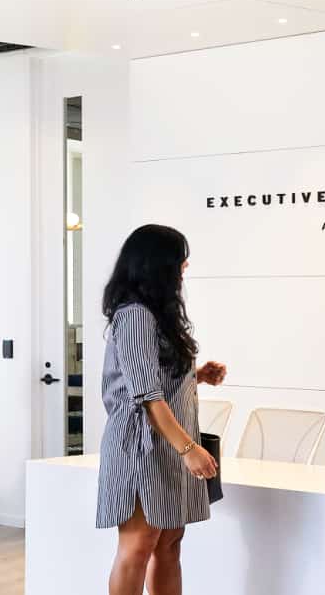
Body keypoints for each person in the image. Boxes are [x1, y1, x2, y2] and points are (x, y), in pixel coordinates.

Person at [96, 224, 227, 595]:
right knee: (138, 546)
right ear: (157, 263)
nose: (184, 265)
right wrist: (189, 448)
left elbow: (151, 379)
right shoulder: (135, 314)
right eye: (178, 258)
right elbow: (147, 397)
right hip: (142, 447)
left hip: (168, 444)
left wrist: (195, 376)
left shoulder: (156, 313)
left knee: (169, 544)